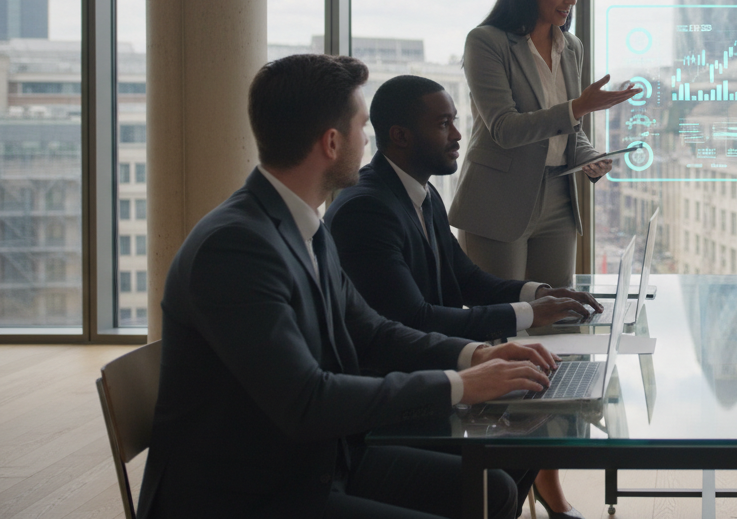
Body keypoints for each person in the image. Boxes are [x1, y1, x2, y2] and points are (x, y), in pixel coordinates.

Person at [138, 54, 561, 519]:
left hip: (317, 460)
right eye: (363, 128)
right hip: (250, 492)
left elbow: (373, 330)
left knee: (495, 487)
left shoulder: (302, 224)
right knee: (486, 485)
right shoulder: (236, 247)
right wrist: (459, 384)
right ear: (332, 142)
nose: (369, 140)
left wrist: (476, 356)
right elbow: (306, 399)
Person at [449, 0, 636, 518]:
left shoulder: (571, 47)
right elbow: (504, 128)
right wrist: (578, 109)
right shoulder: (487, 43)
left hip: (558, 198)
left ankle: (542, 477)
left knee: (554, 341)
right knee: (502, 340)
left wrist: (589, 156)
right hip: (500, 203)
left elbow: (565, 133)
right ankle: (491, 479)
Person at [327, 74, 605, 343]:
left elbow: (466, 280)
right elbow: (414, 319)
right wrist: (530, 314)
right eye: (443, 124)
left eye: (454, 121)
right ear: (401, 136)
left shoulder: (423, 193)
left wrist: (540, 293)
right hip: (400, 378)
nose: (458, 135)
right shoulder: (366, 211)